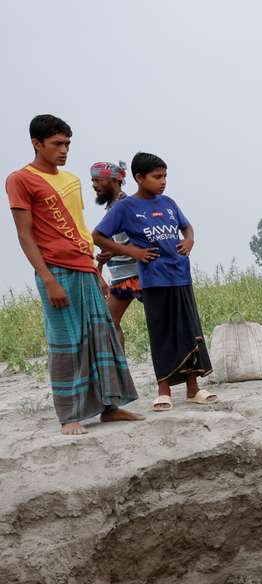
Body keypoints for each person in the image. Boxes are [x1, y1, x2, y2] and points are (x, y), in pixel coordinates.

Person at [7, 115, 141, 435]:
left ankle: (110, 407)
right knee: (66, 342)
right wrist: (48, 278)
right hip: (55, 270)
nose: (64, 150)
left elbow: (80, 228)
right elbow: (25, 235)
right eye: (57, 144)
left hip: (84, 268)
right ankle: (69, 415)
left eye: (67, 143)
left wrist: (96, 270)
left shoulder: (71, 180)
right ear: (37, 144)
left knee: (102, 337)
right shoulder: (21, 180)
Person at [92, 153, 216, 412]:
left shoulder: (169, 203)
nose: (163, 182)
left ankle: (193, 388)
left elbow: (187, 227)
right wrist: (132, 253)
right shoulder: (125, 208)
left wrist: (189, 240)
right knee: (162, 335)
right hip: (153, 280)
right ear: (139, 178)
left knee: (189, 333)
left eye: (165, 176)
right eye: (157, 177)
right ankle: (164, 390)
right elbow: (98, 236)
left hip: (181, 276)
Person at [89, 161, 139, 340]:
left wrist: (114, 252)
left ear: (115, 181)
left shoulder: (128, 206)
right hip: (122, 278)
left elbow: (144, 242)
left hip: (139, 276)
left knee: (162, 320)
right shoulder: (112, 208)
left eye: (98, 180)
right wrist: (100, 270)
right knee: (109, 323)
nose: (94, 185)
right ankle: (120, 367)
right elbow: (109, 247)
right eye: (92, 180)